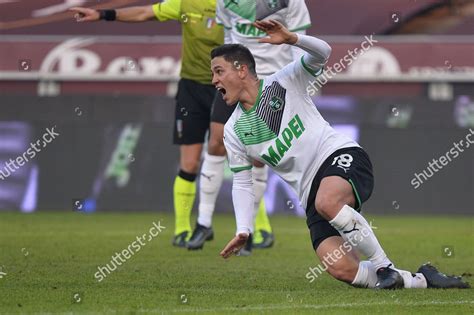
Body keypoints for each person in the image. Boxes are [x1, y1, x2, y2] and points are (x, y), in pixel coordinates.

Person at [212, 20, 470, 289]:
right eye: (213, 74)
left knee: (328, 202)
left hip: (339, 156)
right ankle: (422, 280)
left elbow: (323, 53)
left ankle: (384, 266)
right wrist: (244, 229)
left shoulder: (284, 82)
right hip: (310, 194)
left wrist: (293, 39)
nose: (214, 80)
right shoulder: (233, 130)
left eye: (219, 71)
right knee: (343, 269)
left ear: (241, 70)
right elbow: (242, 182)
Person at [70, 1, 224, 247]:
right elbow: (144, 12)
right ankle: (183, 229)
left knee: (235, 157)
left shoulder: (239, 6)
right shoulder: (185, 3)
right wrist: (102, 14)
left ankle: (252, 230)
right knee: (190, 162)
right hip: (191, 89)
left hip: (225, 90)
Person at [187, 0, 311, 252]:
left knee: (258, 156)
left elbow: (299, 41)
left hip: (272, 82)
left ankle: (248, 230)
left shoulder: (290, 2)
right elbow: (228, 36)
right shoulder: (226, 2)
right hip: (234, 80)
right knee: (216, 141)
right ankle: (203, 223)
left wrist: (301, 81)